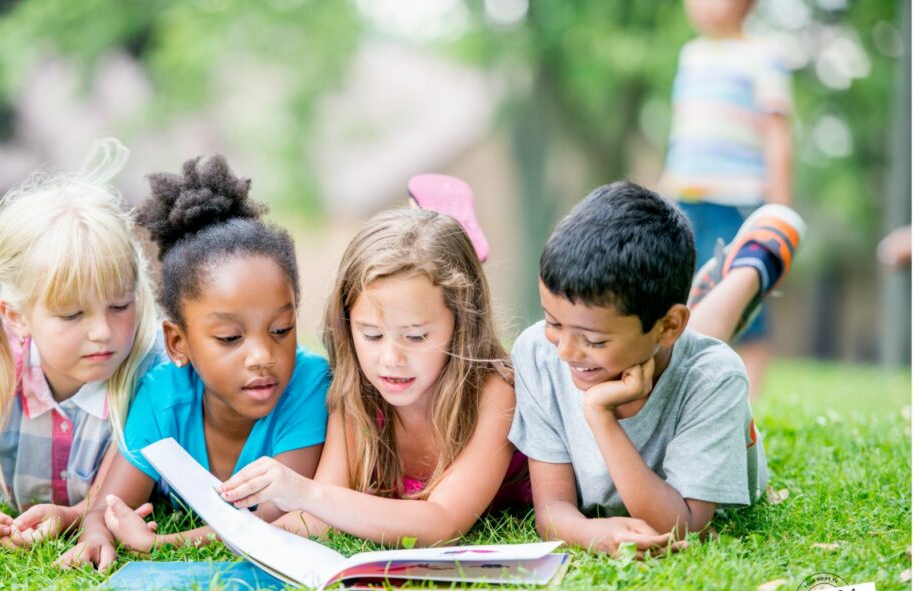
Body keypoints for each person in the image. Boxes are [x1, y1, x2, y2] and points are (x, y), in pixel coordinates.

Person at [59, 154, 331, 570]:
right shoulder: (162, 395)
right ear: (177, 342)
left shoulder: (308, 385)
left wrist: (164, 545)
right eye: (230, 338)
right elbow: (107, 506)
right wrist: (97, 534)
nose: (262, 357)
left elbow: (272, 516)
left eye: (281, 330)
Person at [512, 182, 806, 558]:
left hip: (682, 349)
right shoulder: (538, 352)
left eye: (594, 340)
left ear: (668, 325)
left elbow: (683, 526)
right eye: (553, 322)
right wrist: (589, 533)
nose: (566, 352)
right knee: (685, 340)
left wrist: (600, 416)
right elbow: (552, 508)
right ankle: (713, 290)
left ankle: (752, 267)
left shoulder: (714, 378)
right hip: (664, 334)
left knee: (695, 352)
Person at [0, 139, 163, 559]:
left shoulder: (147, 373)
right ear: (17, 315)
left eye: (119, 305)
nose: (102, 332)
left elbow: (108, 508)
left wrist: (70, 517)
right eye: (72, 315)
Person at [216, 204, 531, 547]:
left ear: (462, 325)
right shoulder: (358, 394)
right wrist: (206, 537)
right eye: (371, 335)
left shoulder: (493, 391)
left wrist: (305, 492)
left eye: (415, 337)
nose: (391, 359)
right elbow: (320, 517)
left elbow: (442, 522)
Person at [660, 0, 794, 396]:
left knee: (743, 296)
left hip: (737, 199)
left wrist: (779, 208)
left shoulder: (763, 56)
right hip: (686, 201)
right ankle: (692, 395)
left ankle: (749, 404)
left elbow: (776, 135)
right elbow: (680, 133)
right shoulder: (692, 56)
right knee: (686, 298)